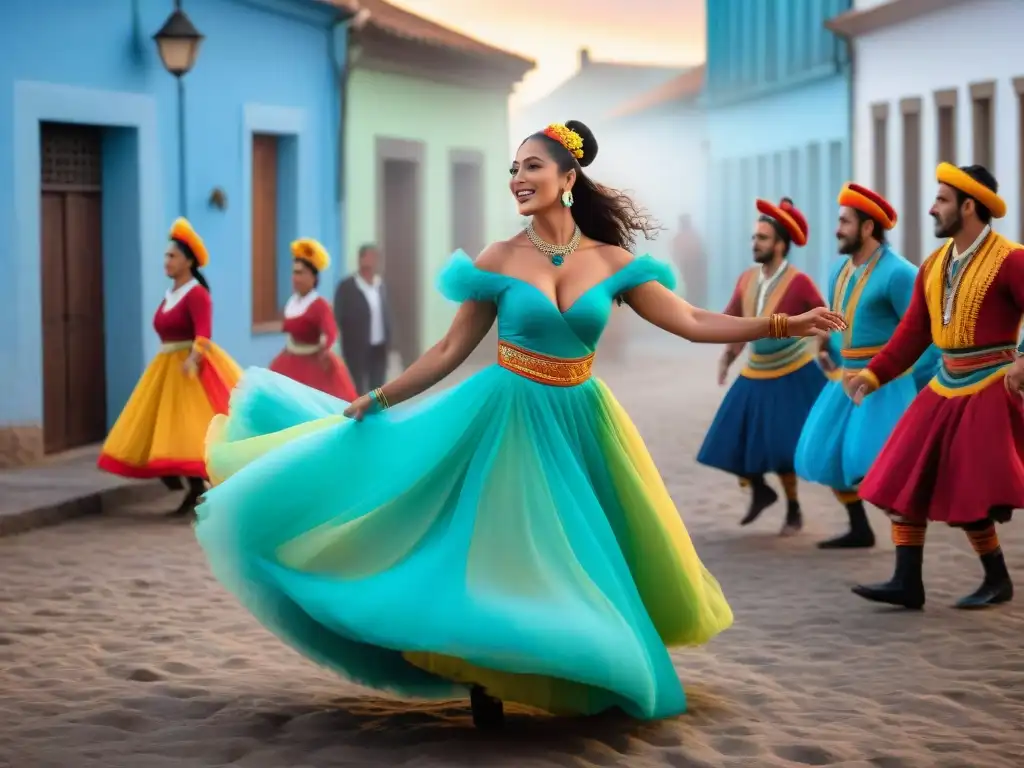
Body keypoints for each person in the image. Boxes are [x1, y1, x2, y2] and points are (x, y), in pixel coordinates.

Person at [193, 120, 844, 728]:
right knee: (499, 545)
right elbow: (450, 351)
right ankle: (487, 679)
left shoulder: (615, 263)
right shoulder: (499, 258)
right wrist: (380, 398)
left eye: (531, 166)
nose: (517, 178)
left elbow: (694, 321)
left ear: (569, 178)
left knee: (572, 554)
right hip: (505, 415)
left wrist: (783, 324)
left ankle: (567, 664)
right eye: (512, 169)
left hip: (581, 421)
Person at [846, 163, 1024, 610]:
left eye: (941, 200)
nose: (931, 208)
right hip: (945, 386)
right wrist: (873, 375)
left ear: (968, 206)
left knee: (972, 491)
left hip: (988, 386)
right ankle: (907, 581)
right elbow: (912, 333)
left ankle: (997, 578)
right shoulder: (934, 265)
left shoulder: (1012, 259)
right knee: (904, 473)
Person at [794, 183, 940, 549]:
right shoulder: (838, 270)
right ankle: (859, 528)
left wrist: (911, 389)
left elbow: (926, 337)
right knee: (825, 455)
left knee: (874, 469)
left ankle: (907, 564)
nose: (837, 229)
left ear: (868, 227)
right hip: (843, 381)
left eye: (844, 221)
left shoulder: (900, 274)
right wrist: (827, 345)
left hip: (888, 386)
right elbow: (842, 321)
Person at [696, 197, 829, 536]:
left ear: (781, 244)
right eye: (754, 237)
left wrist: (825, 349)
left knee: (783, 446)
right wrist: (727, 357)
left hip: (793, 371)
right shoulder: (746, 280)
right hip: (756, 369)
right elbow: (734, 321)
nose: (755, 243)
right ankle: (760, 490)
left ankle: (794, 509)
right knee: (731, 436)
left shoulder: (800, 283)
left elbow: (824, 318)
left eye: (763, 238)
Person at [97, 218, 242, 516]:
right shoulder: (170, 294)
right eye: (166, 255)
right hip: (165, 368)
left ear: (188, 261)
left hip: (191, 370)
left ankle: (199, 489)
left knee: (190, 430)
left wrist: (194, 358)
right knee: (159, 428)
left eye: (173, 255)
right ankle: (189, 487)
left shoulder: (197, 293)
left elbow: (204, 332)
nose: (167, 260)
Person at [269, 239, 357, 401]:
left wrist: (325, 344)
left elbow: (330, 331)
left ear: (313, 277)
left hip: (313, 368)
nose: (296, 278)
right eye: (294, 273)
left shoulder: (319, 305)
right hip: (289, 362)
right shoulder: (292, 302)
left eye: (301, 273)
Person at [334, 244, 390, 393]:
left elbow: (385, 314)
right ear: (360, 260)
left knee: (378, 387)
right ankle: (359, 414)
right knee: (358, 388)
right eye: (369, 257)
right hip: (356, 348)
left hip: (379, 346)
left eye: (375, 258)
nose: (372, 261)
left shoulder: (380, 285)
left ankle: (377, 413)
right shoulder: (347, 286)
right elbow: (337, 316)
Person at [672, 214, 706, 307]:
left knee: (696, 296)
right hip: (687, 270)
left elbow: (701, 254)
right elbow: (675, 253)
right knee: (690, 294)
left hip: (695, 271)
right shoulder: (680, 238)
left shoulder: (693, 236)